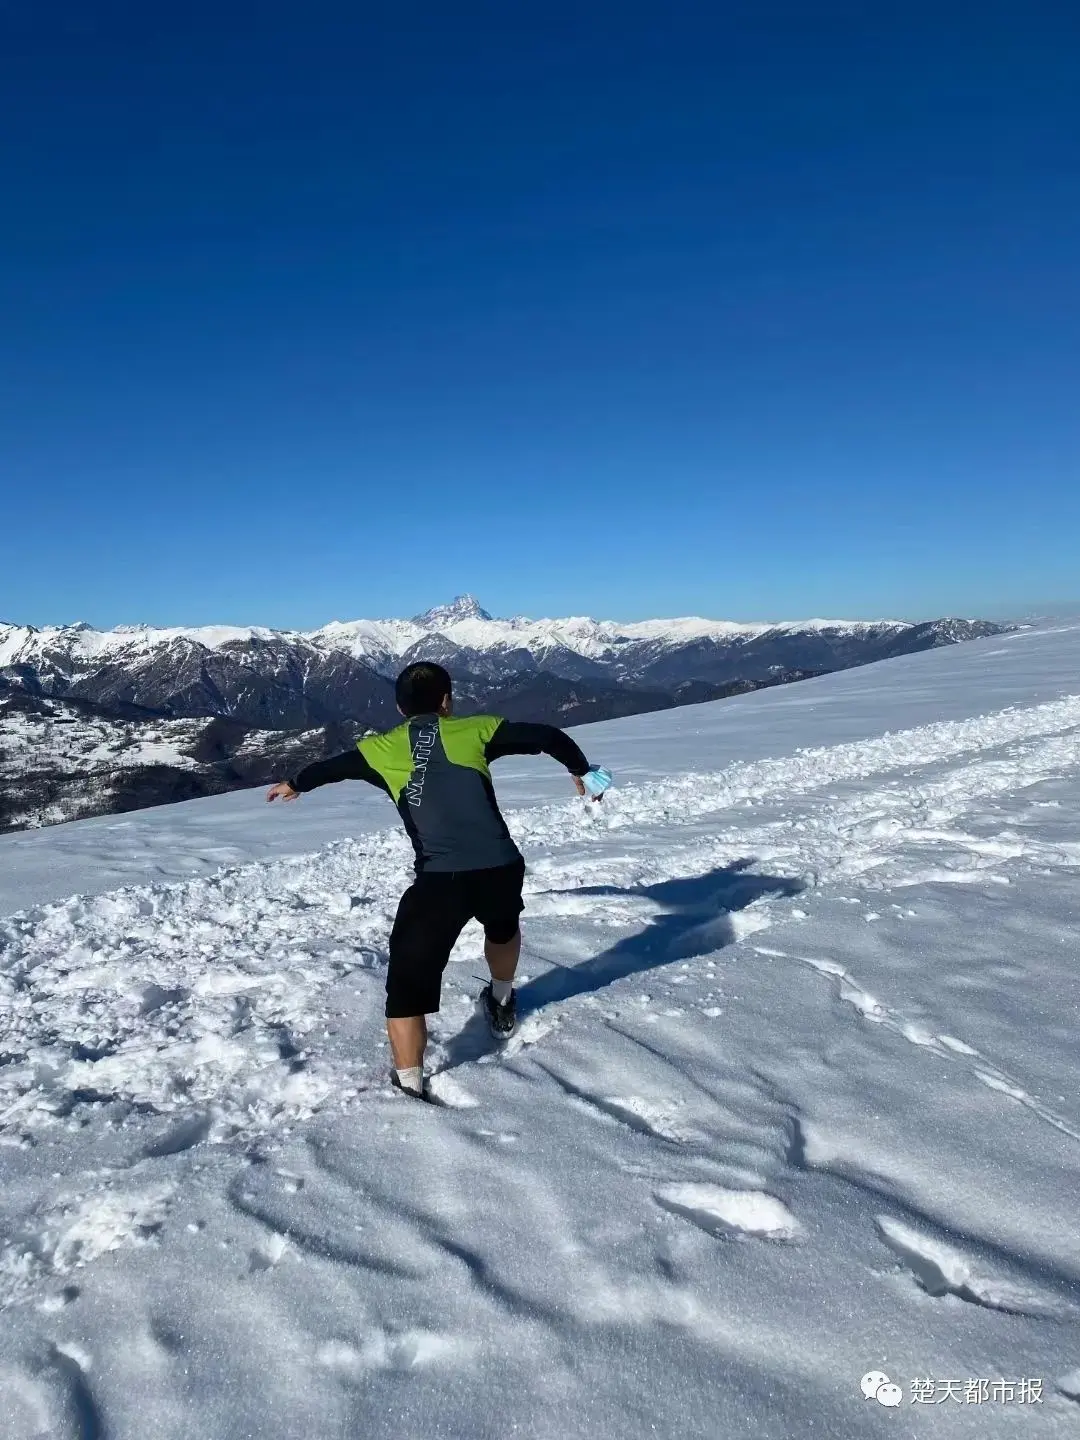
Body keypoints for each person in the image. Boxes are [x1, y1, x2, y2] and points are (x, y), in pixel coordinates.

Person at [266, 661, 611, 1102]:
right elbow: (547, 736)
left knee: (407, 983)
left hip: (439, 881)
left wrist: (295, 783)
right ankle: (502, 1001)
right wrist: (581, 770)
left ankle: (409, 1084)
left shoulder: (380, 749)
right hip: (501, 865)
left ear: (398, 706)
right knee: (502, 927)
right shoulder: (478, 730)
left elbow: (333, 767)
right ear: (447, 700)